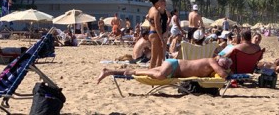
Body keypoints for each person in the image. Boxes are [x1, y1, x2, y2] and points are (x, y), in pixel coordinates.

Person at [97, 57, 233, 84]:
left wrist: (228, 70)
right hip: (173, 64)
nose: (225, 65)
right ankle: (135, 73)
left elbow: (221, 73)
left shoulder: (213, 66)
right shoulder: (212, 61)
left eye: (226, 65)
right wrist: (228, 72)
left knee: (157, 73)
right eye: (225, 62)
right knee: (161, 75)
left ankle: (108, 71)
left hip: (174, 71)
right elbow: (222, 75)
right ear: (219, 58)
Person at [147, 0, 166, 69]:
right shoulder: (156, 12)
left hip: (152, 33)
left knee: (160, 56)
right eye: (161, 0)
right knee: (154, 57)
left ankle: (157, 71)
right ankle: (151, 73)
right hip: (155, 34)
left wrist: (152, 24)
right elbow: (158, 27)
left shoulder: (151, 9)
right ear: (157, 2)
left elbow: (148, 18)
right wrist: (162, 40)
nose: (162, 1)